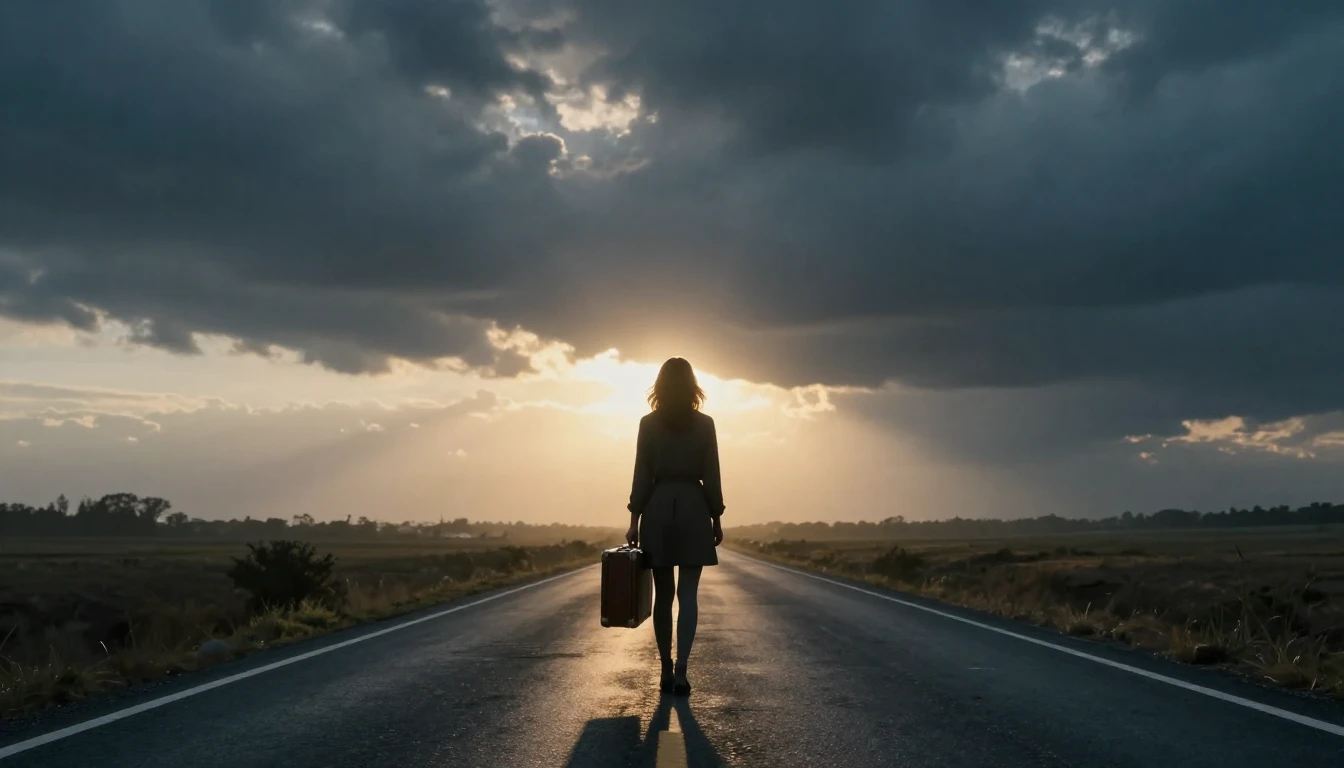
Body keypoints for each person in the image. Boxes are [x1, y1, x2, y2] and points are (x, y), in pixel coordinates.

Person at [626, 357, 725, 696]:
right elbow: (711, 474)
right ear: (692, 385)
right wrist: (716, 516)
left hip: (657, 508)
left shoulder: (648, 424)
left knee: (663, 596)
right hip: (694, 509)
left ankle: (665, 669)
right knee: (689, 596)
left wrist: (633, 520)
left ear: (660, 386)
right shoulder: (705, 424)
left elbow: (641, 474)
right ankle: (683, 670)